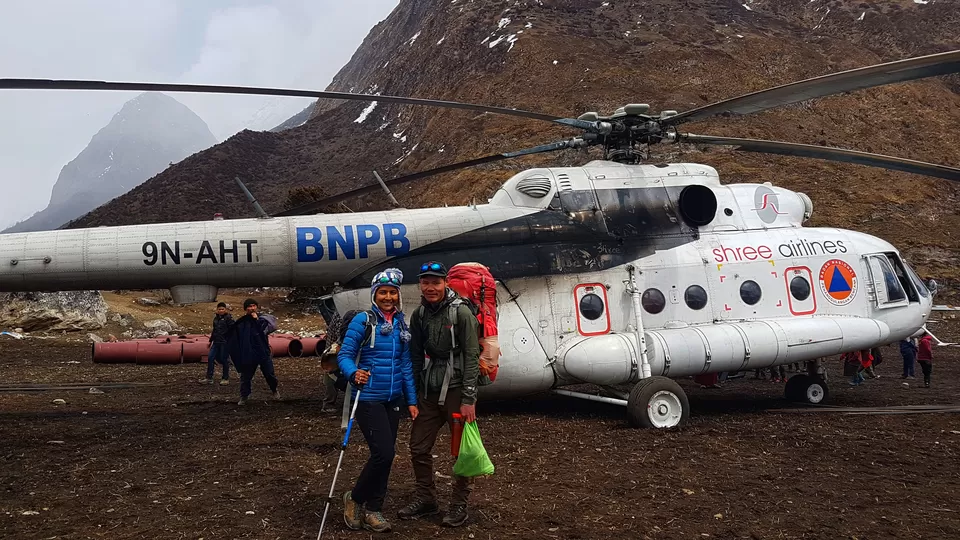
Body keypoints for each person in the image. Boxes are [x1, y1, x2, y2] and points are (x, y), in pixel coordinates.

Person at [398, 261, 481, 528]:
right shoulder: (419, 315)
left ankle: (459, 504)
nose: (430, 287)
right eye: (425, 282)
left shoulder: (462, 313)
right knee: (418, 447)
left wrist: (469, 399)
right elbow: (413, 356)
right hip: (428, 391)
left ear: (446, 283)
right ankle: (426, 499)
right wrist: (412, 396)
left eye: (436, 282)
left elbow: (471, 356)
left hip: (457, 390)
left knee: (460, 452)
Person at [338, 269, 418, 533]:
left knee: (384, 456)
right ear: (374, 295)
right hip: (369, 397)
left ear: (398, 295)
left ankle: (374, 510)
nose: (388, 297)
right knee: (384, 453)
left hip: (393, 398)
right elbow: (345, 355)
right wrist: (353, 372)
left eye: (392, 292)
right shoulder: (364, 320)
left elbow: (405, 364)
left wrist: (411, 400)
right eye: (382, 292)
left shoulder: (401, 324)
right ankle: (356, 498)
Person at [225, 298, 280, 405]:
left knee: (269, 374)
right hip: (249, 353)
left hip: (263, 352)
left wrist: (257, 320)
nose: (251, 308)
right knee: (246, 376)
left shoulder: (263, 320)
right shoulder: (242, 322)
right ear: (246, 309)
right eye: (249, 307)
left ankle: (274, 390)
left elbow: (268, 329)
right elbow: (233, 335)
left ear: (257, 307)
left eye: (253, 306)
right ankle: (244, 396)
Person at [199, 302, 233, 385]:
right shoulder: (216, 319)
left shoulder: (229, 319)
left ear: (225, 310)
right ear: (217, 310)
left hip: (224, 343)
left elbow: (233, 330)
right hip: (216, 342)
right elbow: (214, 331)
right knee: (210, 358)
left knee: (224, 360)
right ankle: (209, 378)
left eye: (222, 309)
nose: (221, 310)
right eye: (219, 309)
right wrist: (210, 341)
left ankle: (225, 378)